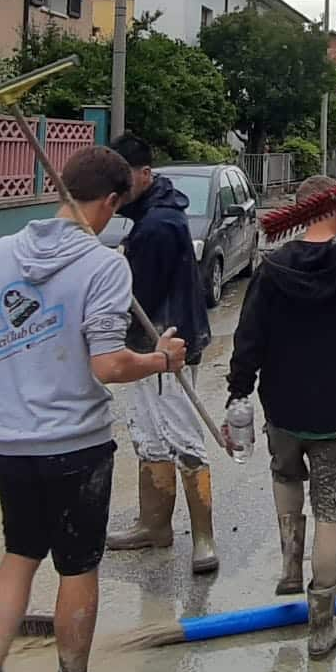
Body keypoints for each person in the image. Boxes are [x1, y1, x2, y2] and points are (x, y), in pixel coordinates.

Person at [0, 145, 187, 672]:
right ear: (111, 201)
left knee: (19, 555)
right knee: (77, 566)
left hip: (11, 442)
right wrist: (161, 359)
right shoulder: (104, 264)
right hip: (75, 444)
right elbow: (109, 365)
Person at [226, 176, 336, 658]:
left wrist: (238, 395)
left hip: (283, 406)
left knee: (285, 474)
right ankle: (321, 623)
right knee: (331, 510)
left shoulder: (272, 268)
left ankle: (289, 565)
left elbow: (248, 340)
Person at [101, 134, 217, 574]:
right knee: (148, 436)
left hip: (168, 345)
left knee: (183, 438)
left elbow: (139, 296)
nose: (114, 188)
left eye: (122, 178)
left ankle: (204, 538)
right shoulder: (151, 214)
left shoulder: (158, 226)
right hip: (150, 344)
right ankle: (154, 526)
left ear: (145, 175)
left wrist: (115, 272)